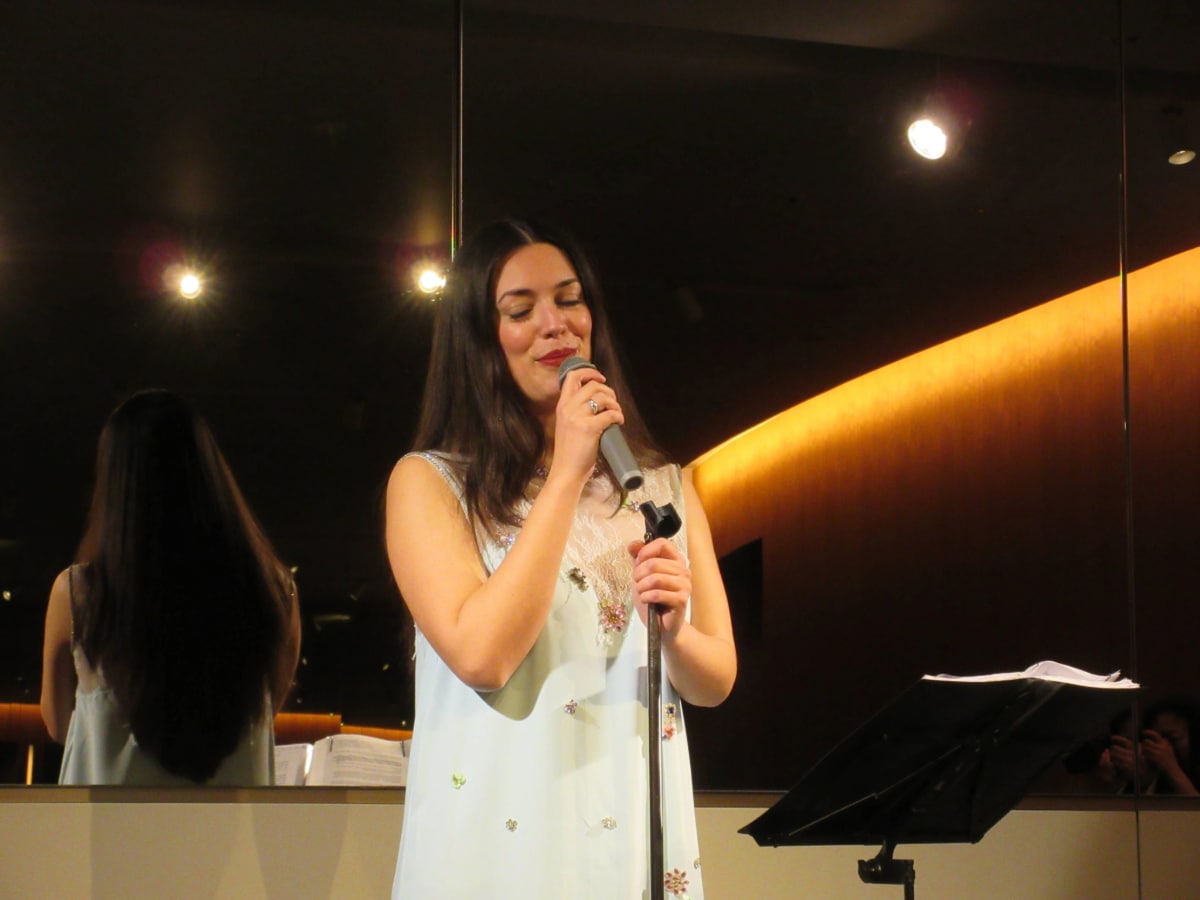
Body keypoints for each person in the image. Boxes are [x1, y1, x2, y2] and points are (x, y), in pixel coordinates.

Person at [385, 218, 737, 898]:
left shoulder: (661, 487)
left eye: (570, 300)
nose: (556, 325)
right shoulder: (429, 484)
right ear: (478, 339)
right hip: (499, 844)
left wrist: (675, 634)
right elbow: (483, 657)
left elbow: (714, 680)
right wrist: (569, 470)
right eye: (520, 311)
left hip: (631, 836)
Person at [40, 389, 300, 785]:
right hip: (227, 822)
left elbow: (58, 725)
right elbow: (269, 706)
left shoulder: (78, 593)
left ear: (114, 482)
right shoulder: (276, 593)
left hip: (109, 822)